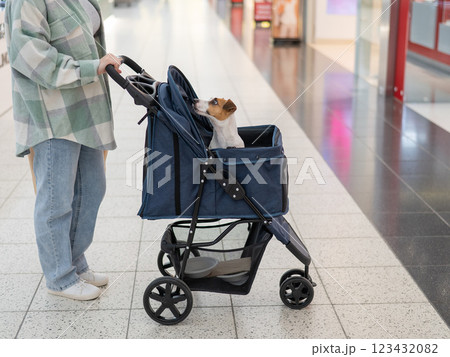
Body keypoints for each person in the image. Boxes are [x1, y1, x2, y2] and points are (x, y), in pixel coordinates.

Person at [5, 0, 122, 301]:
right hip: (51, 112)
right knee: (56, 199)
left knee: (92, 188)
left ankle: (74, 262)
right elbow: (30, 56)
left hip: (84, 107)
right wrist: (89, 67)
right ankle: (59, 276)